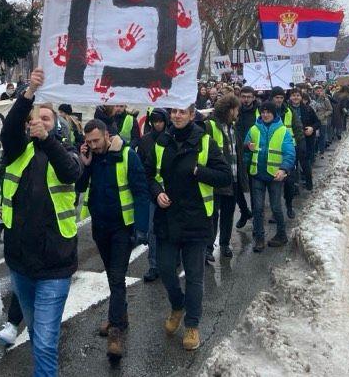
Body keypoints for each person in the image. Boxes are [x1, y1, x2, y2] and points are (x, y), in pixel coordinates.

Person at [0, 67, 81, 377]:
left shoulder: (66, 152)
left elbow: (70, 173)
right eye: (34, 120)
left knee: (42, 340)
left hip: (55, 264)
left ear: (58, 125)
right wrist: (29, 93)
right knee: (35, 330)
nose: (38, 124)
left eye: (46, 119)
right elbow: (9, 129)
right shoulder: (16, 153)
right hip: (20, 264)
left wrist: (48, 141)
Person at [144, 105, 232, 351]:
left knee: (194, 277)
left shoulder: (205, 141)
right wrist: (157, 193)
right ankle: (177, 305)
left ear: (192, 115)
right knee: (165, 269)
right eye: (174, 113)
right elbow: (149, 175)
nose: (177, 116)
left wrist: (198, 171)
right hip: (168, 218)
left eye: (183, 112)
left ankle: (192, 325)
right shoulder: (161, 142)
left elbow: (224, 176)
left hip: (195, 219)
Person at [75, 118, 148, 360]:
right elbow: (80, 187)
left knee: (117, 277)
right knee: (111, 275)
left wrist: (141, 227)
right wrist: (85, 164)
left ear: (107, 135)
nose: (93, 145)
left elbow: (140, 191)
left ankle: (116, 331)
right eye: (89, 142)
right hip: (100, 227)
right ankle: (121, 314)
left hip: (121, 228)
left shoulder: (128, 156)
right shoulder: (91, 157)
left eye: (96, 140)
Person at [243, 102, 295, 253]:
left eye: (268, 112)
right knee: (257, 208)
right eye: (263, 112)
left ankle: (281, 234)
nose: (265, 115)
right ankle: (259, 238)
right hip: (257, 175)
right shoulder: (253, 129)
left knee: (276, 207)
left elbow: (290, 153)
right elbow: (244, 150)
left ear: (274, 114)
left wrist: (284, 169)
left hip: (275, 176)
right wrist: (247, 147)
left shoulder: (282, 130)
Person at [206, 95, 247, 259]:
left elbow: (235, 152)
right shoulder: (210, 126)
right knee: (213, 215)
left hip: (232, 179)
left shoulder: (233, 127)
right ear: (230, 110)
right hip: (215, 180)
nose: (238, 112)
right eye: (236, 109)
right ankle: (208, 247)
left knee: (228, 214)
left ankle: (224, 244)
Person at [136, 108, 169, 282]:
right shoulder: (145, 141)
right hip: (152, 192)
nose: (157, 124)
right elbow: (142, 168)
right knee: (153, 230)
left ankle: (173, 260)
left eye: (160, 121)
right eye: (154, 121)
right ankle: (153, 265)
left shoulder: (172, 138)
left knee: (171, 229)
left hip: (171, 191)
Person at [269, 87, 304, 219]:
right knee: (274, 184)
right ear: (272, 98)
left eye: (281, 98)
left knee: (289, 183)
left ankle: (289, 206)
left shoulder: (289, 111)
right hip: (272, 153)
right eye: (276, 97)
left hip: (289, 151)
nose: (278, 100)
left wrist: (299, 146)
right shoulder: (266, 111)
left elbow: (298, 128)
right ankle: (275, 211)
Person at [233, 87, 258, 228]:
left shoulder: (259, 112)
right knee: (236, 187)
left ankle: (256, 219)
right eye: (243, 96)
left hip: (253, 154)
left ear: (253, 97)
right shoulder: (235, 111)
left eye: (249, 96)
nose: (246, 99)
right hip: (237, 153)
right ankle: (244, 211)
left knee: (255, 188)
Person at [292, 90, 320, 190]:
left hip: (306, 140)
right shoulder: (286, 110)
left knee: (305, 163)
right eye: (293, 95)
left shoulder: (308, 109)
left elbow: (317, 122)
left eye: (297, 95)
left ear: (301, 97)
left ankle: (308, 183)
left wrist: (312, 128)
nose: (295, 97)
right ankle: (294, 186)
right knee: (292, 164)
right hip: (291, 140)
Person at [310, 84, 333, 156]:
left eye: (320, 91)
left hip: (322, 121)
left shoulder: (325, 100)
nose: (319, 92)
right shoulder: (312, 99)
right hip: (314, 121)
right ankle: (315, 151)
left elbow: (330, 110)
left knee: (322, 136)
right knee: (315, 137)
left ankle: (321, 151)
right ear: (314, 91)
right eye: (317, 91)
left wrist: (324, 115)